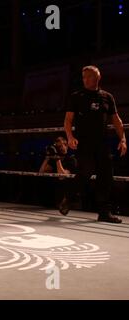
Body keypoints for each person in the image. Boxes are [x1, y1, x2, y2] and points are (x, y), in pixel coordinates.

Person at [60, 65, 127, 223]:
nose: (86, 80)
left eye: (89, 76)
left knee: (106, 176)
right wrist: (69, 137)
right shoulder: (77, 96)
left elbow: (116, 120)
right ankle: (68, 197)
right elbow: (68, 120)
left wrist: (123, 139)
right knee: (86, 170)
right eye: (84, 77)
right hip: (83, 142)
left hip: (102, 143)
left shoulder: (107, 97)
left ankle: (104, 212)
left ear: (97, 78)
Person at [39, 136, 77, 207]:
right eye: (58, 146)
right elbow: (41, 172)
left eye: (64, 145)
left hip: (67, 195)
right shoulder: (55, 158)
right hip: (55, 194)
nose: (62, 148)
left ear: (67, 146)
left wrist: (57, 158)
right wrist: (48, 157)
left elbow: (61, 177)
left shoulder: (71, 159)